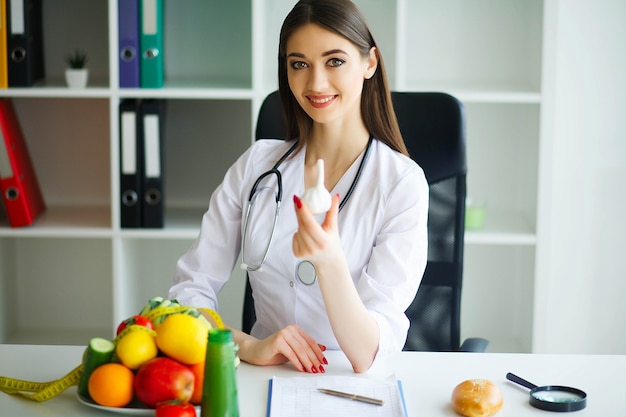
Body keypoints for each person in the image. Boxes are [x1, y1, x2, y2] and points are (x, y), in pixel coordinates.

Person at [169, 0, 428, 374]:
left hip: (351, 385)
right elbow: (185, 298)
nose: (316, 83)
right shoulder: (258, 166)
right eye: (299, 64)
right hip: (263, 374)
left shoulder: (402, 184)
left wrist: (329, 262)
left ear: (369, 63)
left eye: (334, 61)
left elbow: (369, 352)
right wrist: (247, 345)